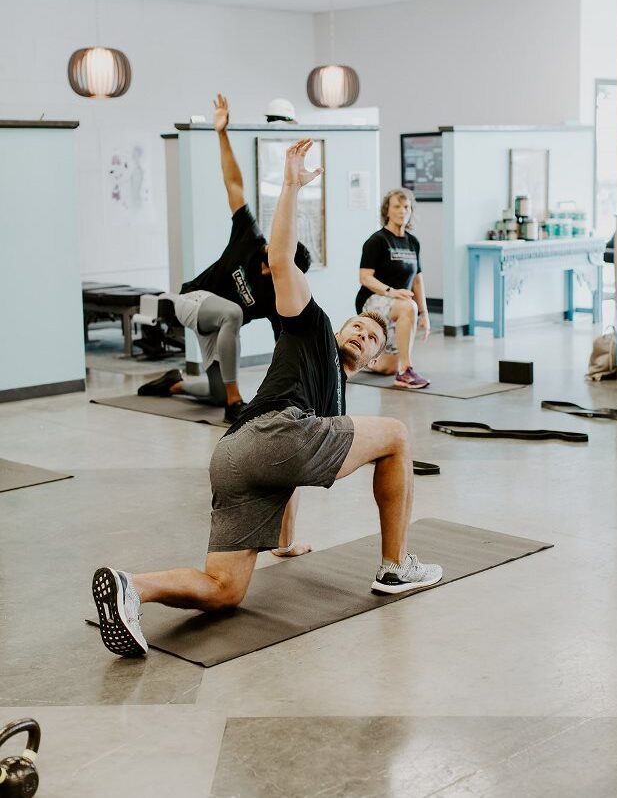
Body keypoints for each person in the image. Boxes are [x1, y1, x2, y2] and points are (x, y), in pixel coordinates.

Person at [92, 138, 443, 658]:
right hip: (268, 437)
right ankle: (396, 567)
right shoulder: (313, 328)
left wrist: (284, 542)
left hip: (236, 459)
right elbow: (279, 258)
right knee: (395, 434)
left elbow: (292, 465)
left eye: (371, 339)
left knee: (225, 589)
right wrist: (291, 188)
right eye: (357, 326)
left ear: (373, 361)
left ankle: (131, 588)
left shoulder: (335, 403)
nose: (360, 336)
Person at [137, 94, 311, 423]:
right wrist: (221, 133)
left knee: (213, 391)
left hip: (220, 328)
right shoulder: (250, 236)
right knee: (232, 313)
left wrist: (297, 387)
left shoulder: (277, 295)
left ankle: (175, 384)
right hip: (194, 300)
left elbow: (285, 343)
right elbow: (234, 183)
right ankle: (234, 403)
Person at [355, 188, 431, 389]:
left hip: (400, 305)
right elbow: (365, 278)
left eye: (406, 207)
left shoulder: (412, 242)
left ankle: (350, 355)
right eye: (397, 206)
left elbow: (417, 280)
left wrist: (424, 313)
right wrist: (391, 292)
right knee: (408, 306)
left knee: (388, 367)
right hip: (373, 301)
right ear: (387, 210)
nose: (402, 211)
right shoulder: (377, 240)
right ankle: (405, 371)